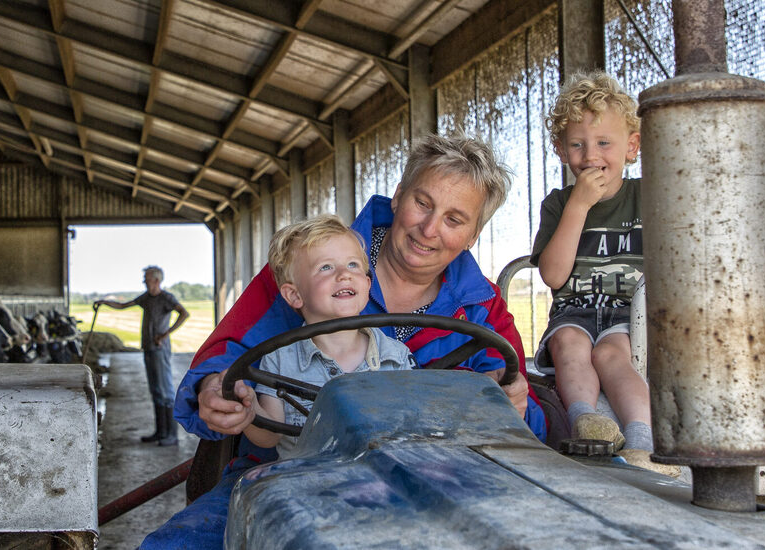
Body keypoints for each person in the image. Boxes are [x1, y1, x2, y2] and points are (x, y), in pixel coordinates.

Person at [141, 135, 544, 548]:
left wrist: (510, 403)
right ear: (398, 195)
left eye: (454, 219)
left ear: (473, 234)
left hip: (429, 482)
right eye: (422, 203)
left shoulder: (481, 306)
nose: (429, 229)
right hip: (284, 472)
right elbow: (220, 362)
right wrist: (215, 389)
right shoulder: (307, 264)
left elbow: (523, 416)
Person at [531, 71, 678, 477]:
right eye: (577, 144)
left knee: (612, 356)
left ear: (632, 147)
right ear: (561, 150)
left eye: (603, 143)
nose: (591, 156)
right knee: (568, 346)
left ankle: (642, 444)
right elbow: (554, 277)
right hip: (573, 310)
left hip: (629, 315)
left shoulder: (649, 197)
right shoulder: (559, 203)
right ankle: (585, 420)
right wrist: (578, 206)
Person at [241, 215, 417, 456]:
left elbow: (414, 429)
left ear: (367, 285)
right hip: (308, 485)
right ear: (294, 295)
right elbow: (269, 435)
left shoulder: (396, 355)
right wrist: (248, 406)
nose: (344, 274)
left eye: (353, 264)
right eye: (326, 267)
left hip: (381, 483)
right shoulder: (280, 361)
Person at [95, 266, 190, 446]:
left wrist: (165, 334)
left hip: (160, 349)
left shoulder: (166, 298)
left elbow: (184, 314)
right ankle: (160, 432)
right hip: (148, 348)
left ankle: (171, 435)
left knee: (165, 390)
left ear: (156, 280)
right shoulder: (146, 298)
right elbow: (123, 305)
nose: (144, 281)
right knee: (155, 390)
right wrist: (103, 302)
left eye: (146, 278)